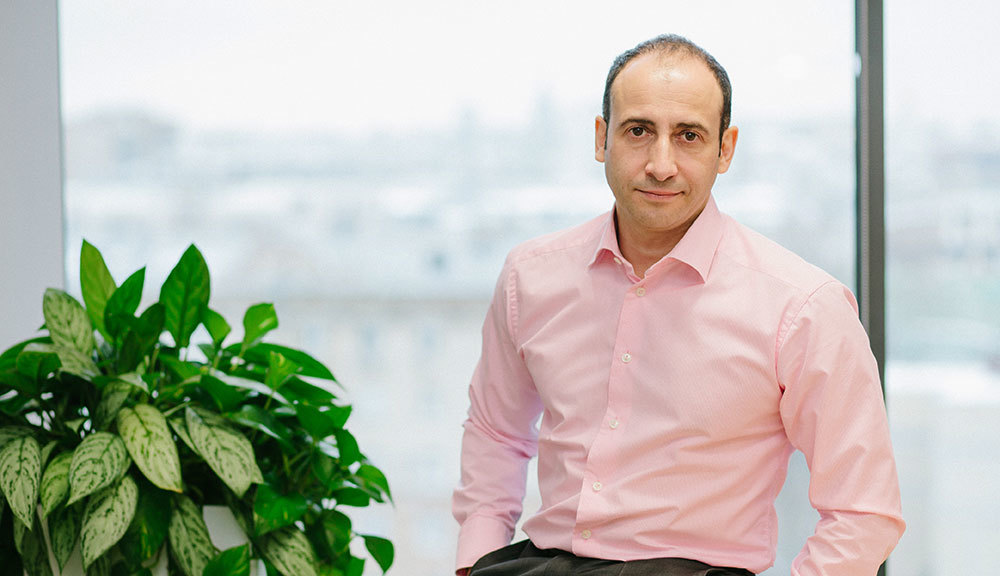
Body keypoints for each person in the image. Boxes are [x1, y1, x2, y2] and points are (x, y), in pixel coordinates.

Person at [452, 34, 904, 576]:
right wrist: (474, 559)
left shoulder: (803, 307)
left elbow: (862, 510)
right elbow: (496, 433)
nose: (661, 164)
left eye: (688, 136)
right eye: (638, 131)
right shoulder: (530, 275)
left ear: (725, 149)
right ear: (601, 138)